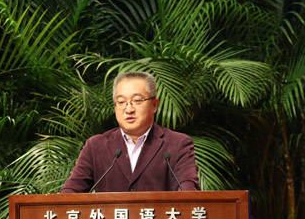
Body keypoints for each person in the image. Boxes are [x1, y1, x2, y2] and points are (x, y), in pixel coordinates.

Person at [60, 71, 201, 193]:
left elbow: (189, 194)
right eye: (121, 102)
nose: (129, 109)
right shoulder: (96, 146)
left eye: (137, 100)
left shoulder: (177, 144)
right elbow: (70, 193)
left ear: (154, 105)